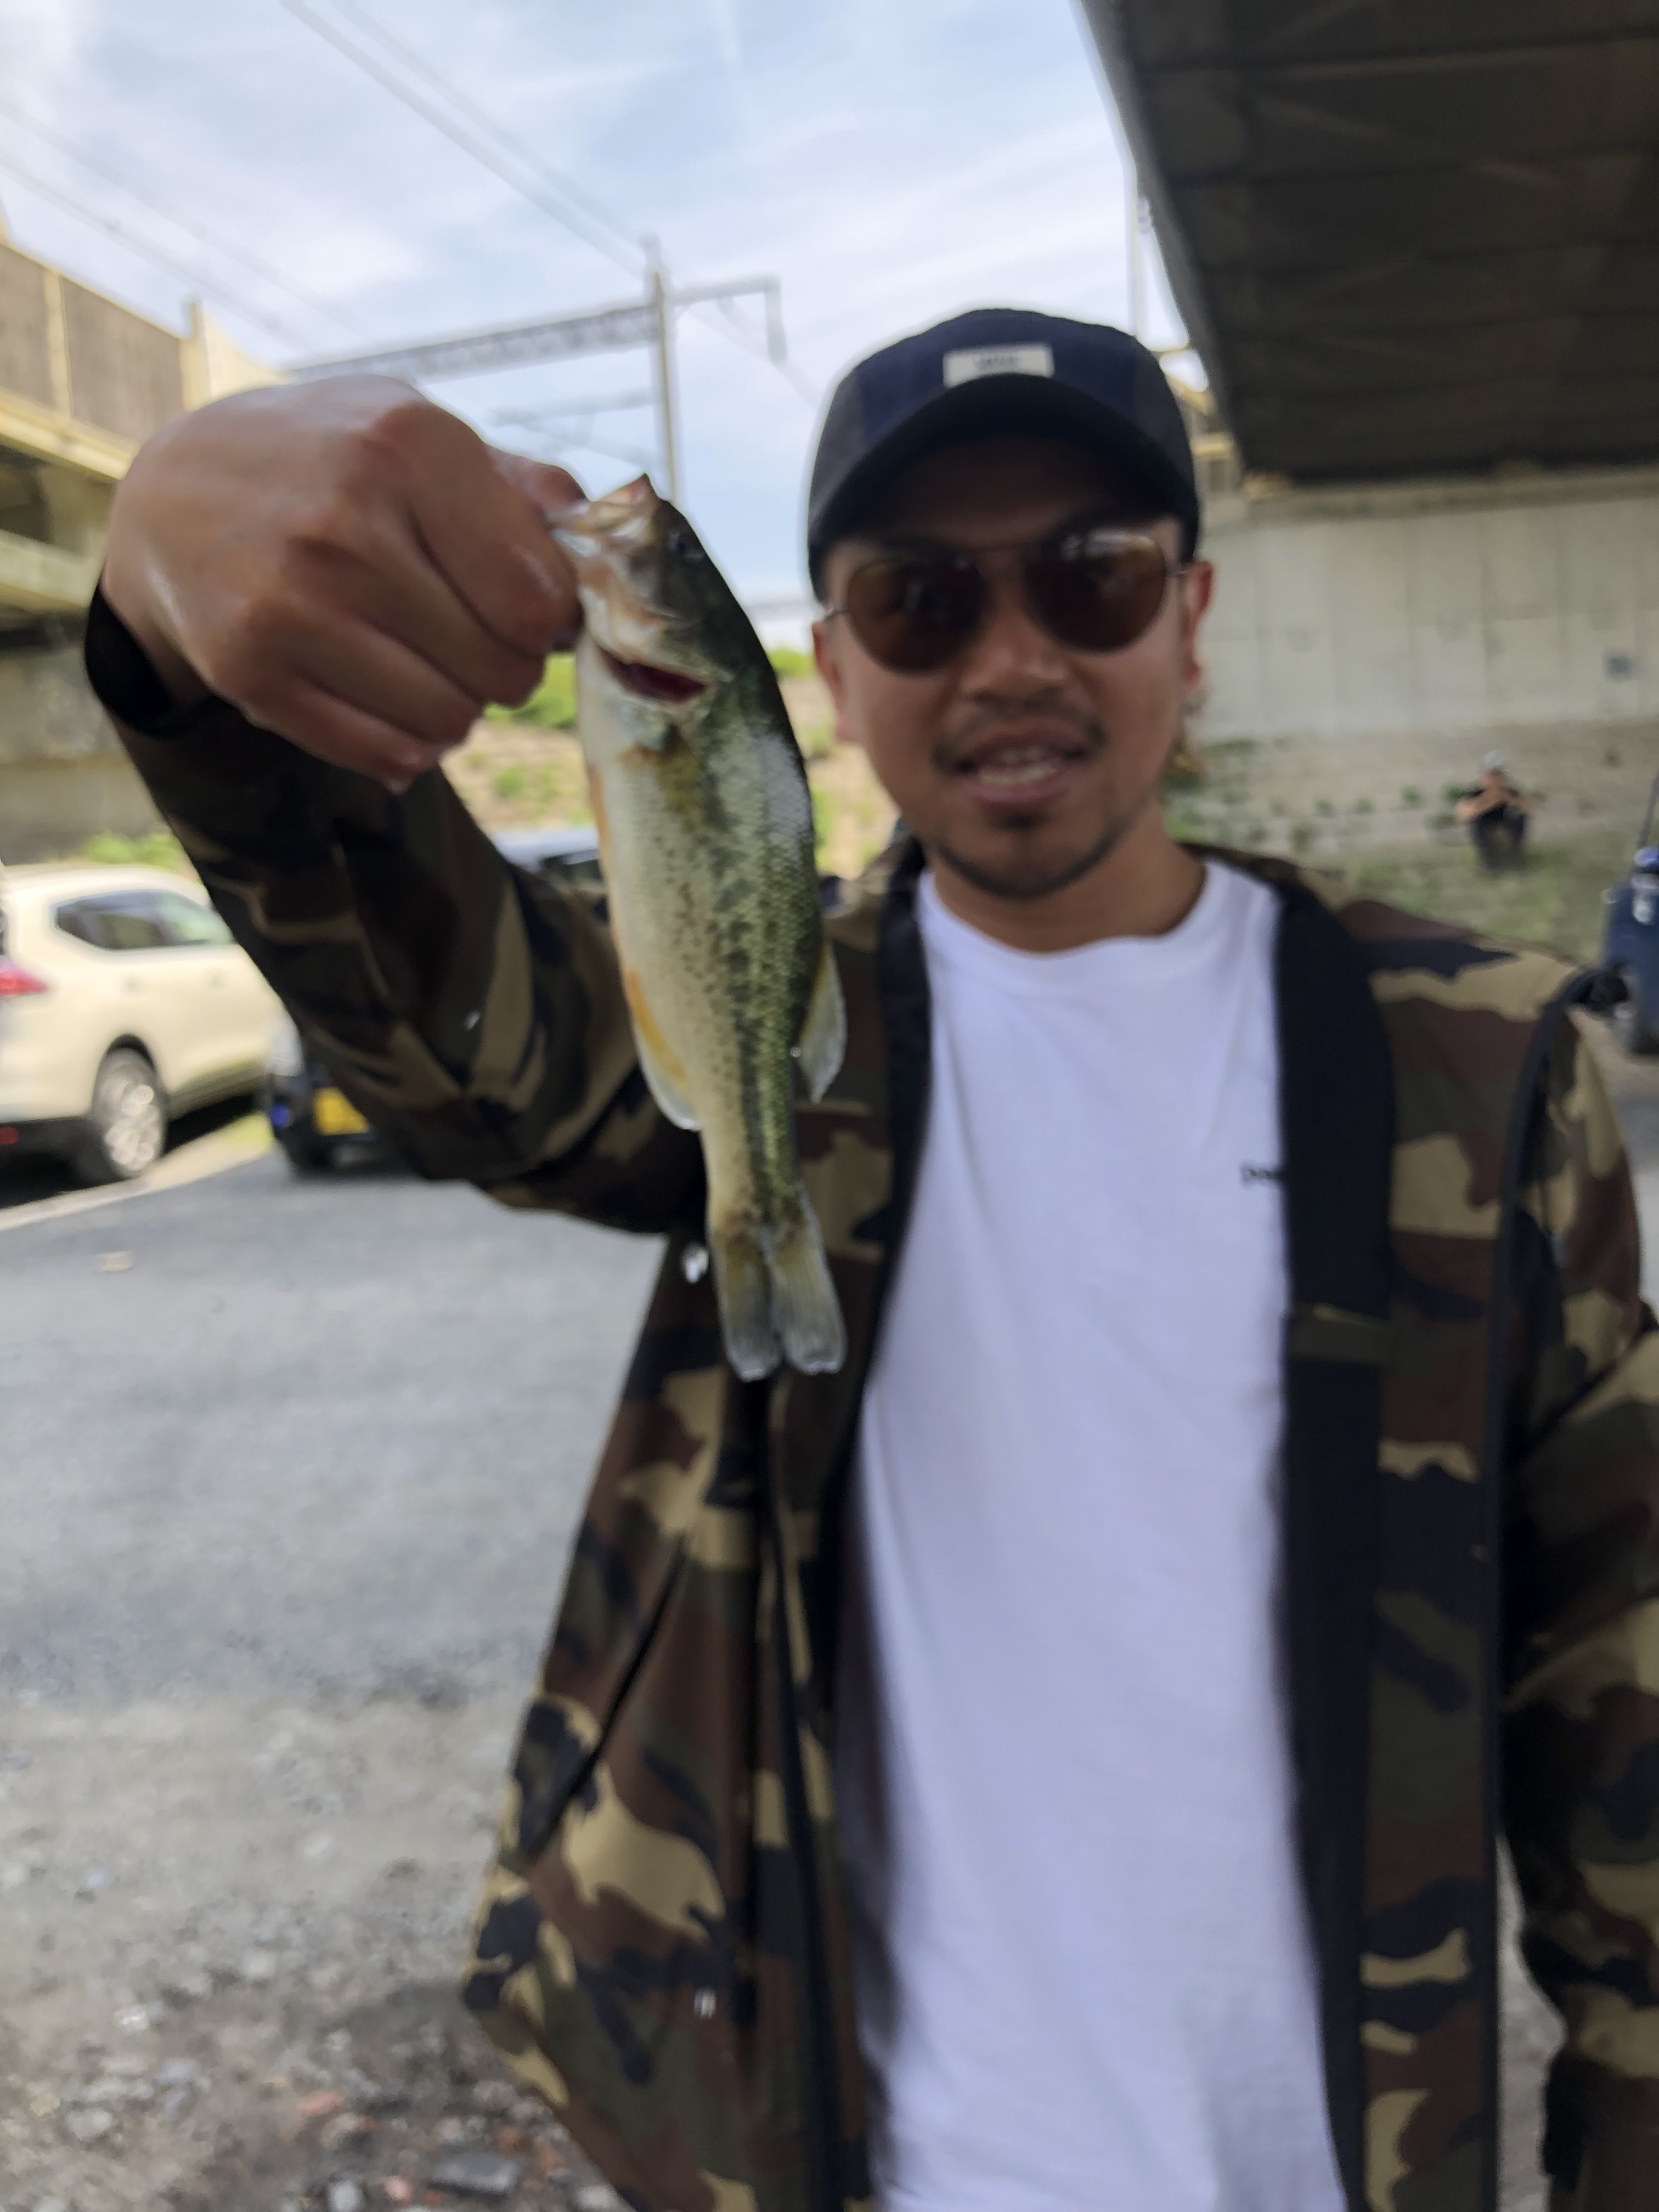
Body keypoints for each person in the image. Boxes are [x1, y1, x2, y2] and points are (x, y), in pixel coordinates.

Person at [92, 309, 1659, 2212]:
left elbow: (1620, 1669)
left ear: (1191, 616)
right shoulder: (789, 1026)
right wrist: (181, 635)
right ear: (827, 667)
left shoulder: (1477, 1060)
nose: (1011, 657)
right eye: (919, 599)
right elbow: (462, 1052)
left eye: (1092, 576)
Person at [1455, 752, 1532, 870]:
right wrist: (1490, 801)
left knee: (1520, 817)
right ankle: (1489, 862)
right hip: (1485, 824)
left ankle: (1516, 857)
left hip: (1505, 822)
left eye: (1498, 775)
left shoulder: (1510, 792)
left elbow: (1528, 809)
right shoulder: (1476, 793)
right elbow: (1464, 813)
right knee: (1475, 823)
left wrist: (1510, 799)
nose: (1495, 779)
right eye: (1491, 775)